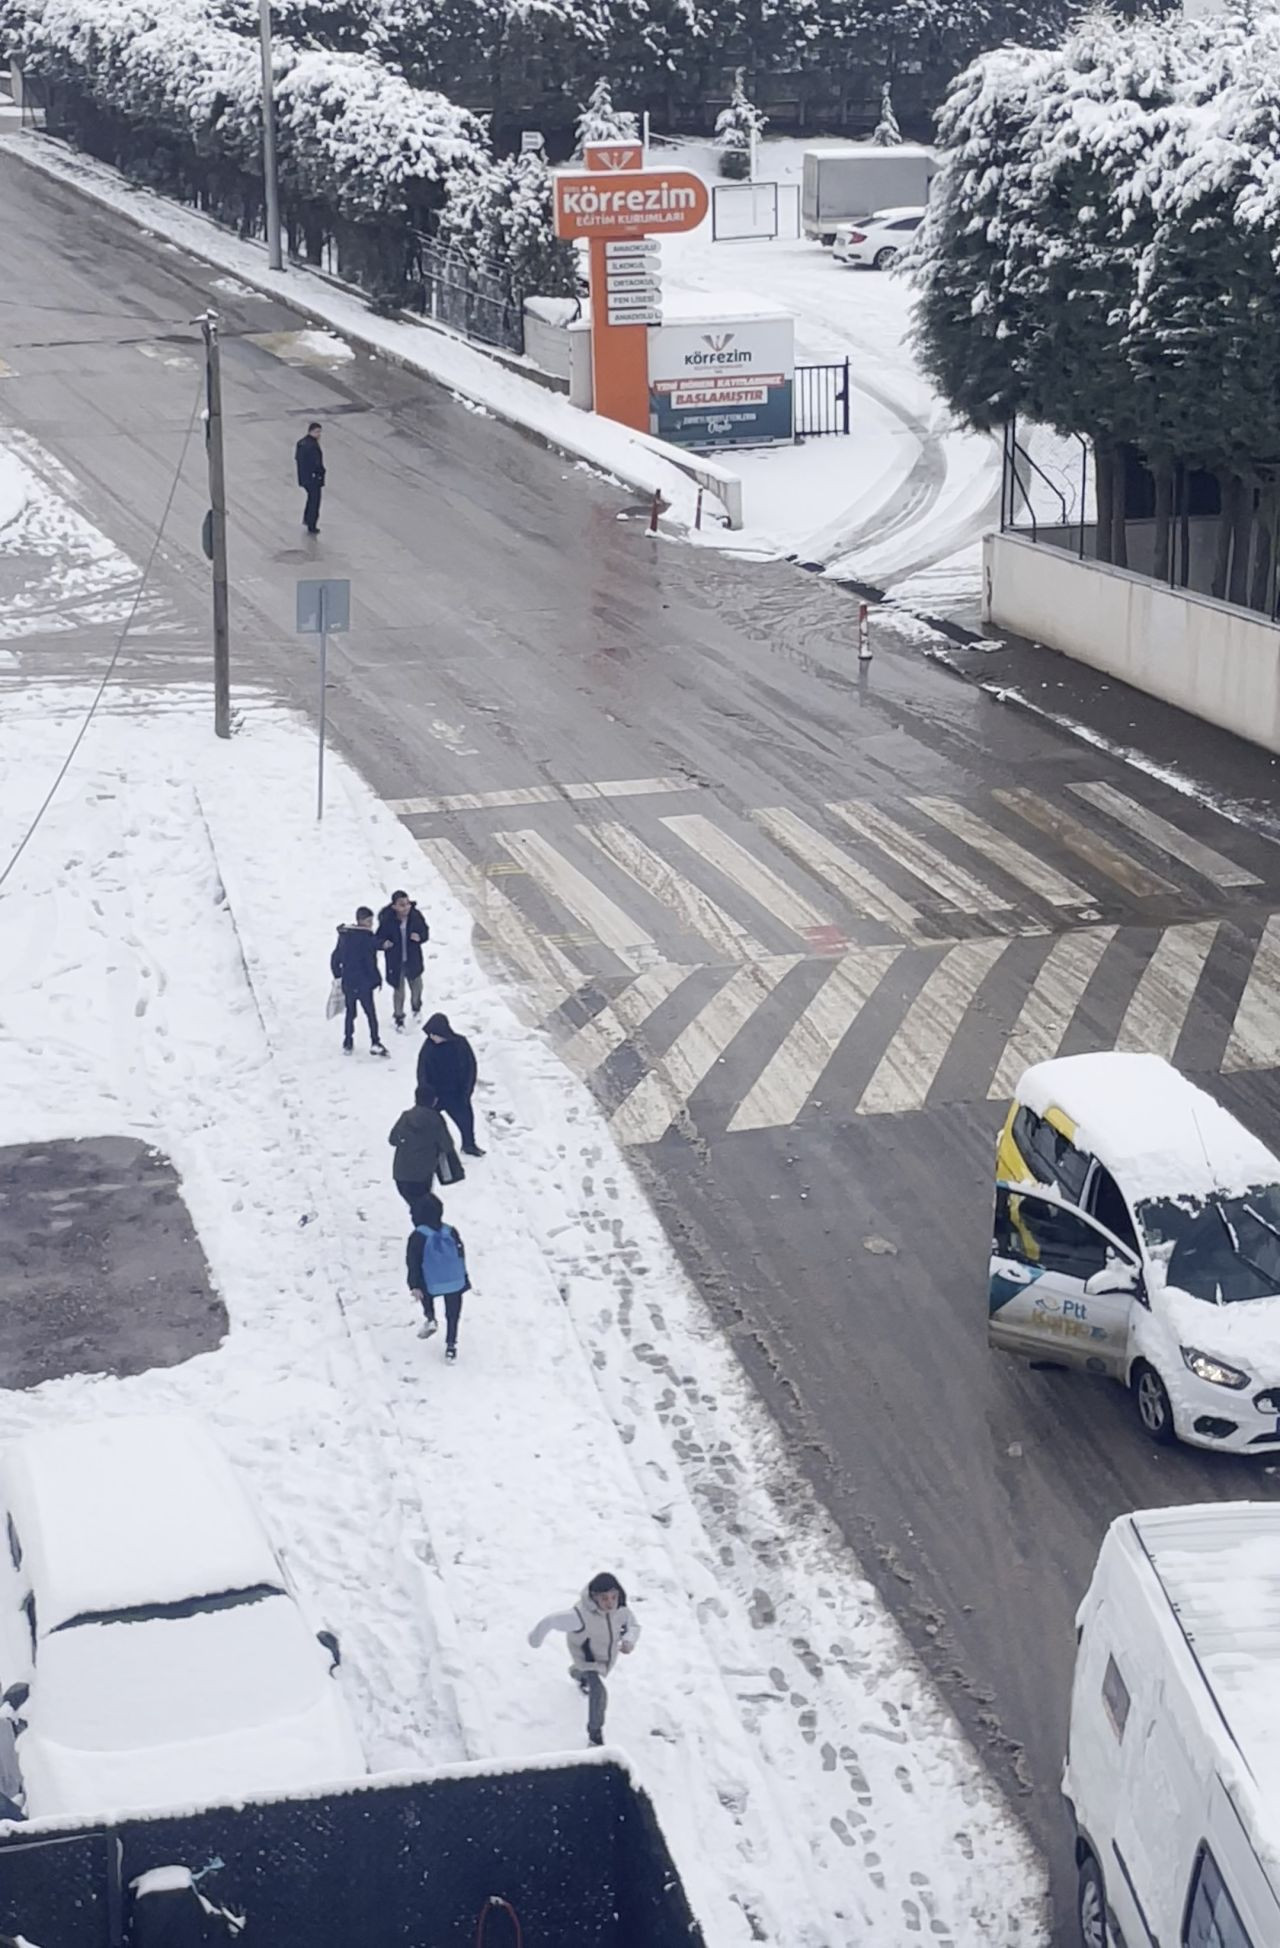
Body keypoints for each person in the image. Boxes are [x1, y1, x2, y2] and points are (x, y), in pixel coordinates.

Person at [528, 1573, 640, 1747]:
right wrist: (535, 1639)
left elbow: (633, 1625)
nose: (610, 1603)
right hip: (588, 1659)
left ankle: (577, 1674)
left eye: (614, 1597)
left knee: (587, 1676)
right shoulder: (579, 1616)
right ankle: (595, 1735)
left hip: (605, 1659)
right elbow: (550, 1621)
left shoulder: (621, 1611)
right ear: (594, 1597)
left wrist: (629, 1640)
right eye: (604, 1598)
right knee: (599, 1693)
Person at [406, 1191, 470, 1361]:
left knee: (425, 1290)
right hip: (455, 1281)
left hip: (431, 1283)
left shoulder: (418, 1235)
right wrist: (464, 1277)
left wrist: (414, 1284)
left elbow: (413, 1262)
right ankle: (451, 1345)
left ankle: (430, 1316)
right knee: (453, 1312)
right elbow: (460, 1254)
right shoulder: (451, 1231)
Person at [417, 1013, 484, 1156]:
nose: (432, 1038)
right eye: (430, 1035)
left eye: (435, 1035)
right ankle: (426, 1148)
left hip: (456, 1094)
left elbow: (470, 1068)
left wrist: (466, 1092)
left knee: (466, 1121)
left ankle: (469, 1145)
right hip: (434, 1095)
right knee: (426, 1124)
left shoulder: (460, 1044)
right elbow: (422, 1071)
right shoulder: (428, 1047)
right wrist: (426, 1094)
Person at [388, 1085, 463, 1209]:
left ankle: (421, 1224)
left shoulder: (406, 1117)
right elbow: (446, 1145)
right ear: (434, 1100)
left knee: (415, 1206)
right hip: (422, 1174)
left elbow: (393, 1139)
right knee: (422, 1207)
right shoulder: (436, 1119)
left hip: (401, 1173)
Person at [330, 906, 388, 1056]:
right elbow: (374, 947)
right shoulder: (365, 937)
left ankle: (348, 1041)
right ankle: (375, 1041)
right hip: (364, 982)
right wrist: (384, 945)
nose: (371, 924)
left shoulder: (345, 936)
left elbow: (335, 958)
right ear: (361, 921)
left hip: (349, 981)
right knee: (370, 1013)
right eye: (369, 921)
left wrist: (338, 976)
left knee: (351, 1013)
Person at [377, 890, 430, 1030]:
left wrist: (420, 937)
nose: (406, 908)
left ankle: (416, 1008)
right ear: (394, 906)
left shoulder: (415, 916)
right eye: (402, 905)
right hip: (396, 962)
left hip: (413, 959)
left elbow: (425, 931)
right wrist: (384, 944)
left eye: (407, 904)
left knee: (417, 987)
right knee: (399, 991)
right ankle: (399, 1017)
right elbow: (378, 938)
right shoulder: (387, 920)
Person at [296, 420, 325, 535]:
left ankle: (307, 519)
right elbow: (316, 463)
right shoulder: (312, 446)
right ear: (311, 432)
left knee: (311, 499)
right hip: (313, 478)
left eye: (319, 432)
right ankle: (312, 524)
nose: (319, 434)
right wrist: (319, 474)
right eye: (317, 432)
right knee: (314, 501)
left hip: (305, 478)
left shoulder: (302, 443)